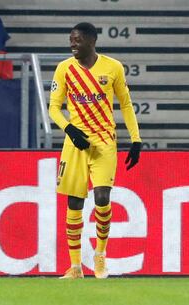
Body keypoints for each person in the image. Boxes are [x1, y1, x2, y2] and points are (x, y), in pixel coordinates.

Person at [49, 22, 142, 279]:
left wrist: (136, 140)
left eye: (77, 39)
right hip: (75, 143)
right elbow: (54, 108)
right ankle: (76, 266)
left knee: (102, 198)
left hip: (103, 141)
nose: (72, 44)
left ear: (91, 40)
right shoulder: (64, 69)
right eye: (71, 39)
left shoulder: (112, 67)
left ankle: (100, 256)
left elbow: (125, 104)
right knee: (74, 202)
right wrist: (69, 129)